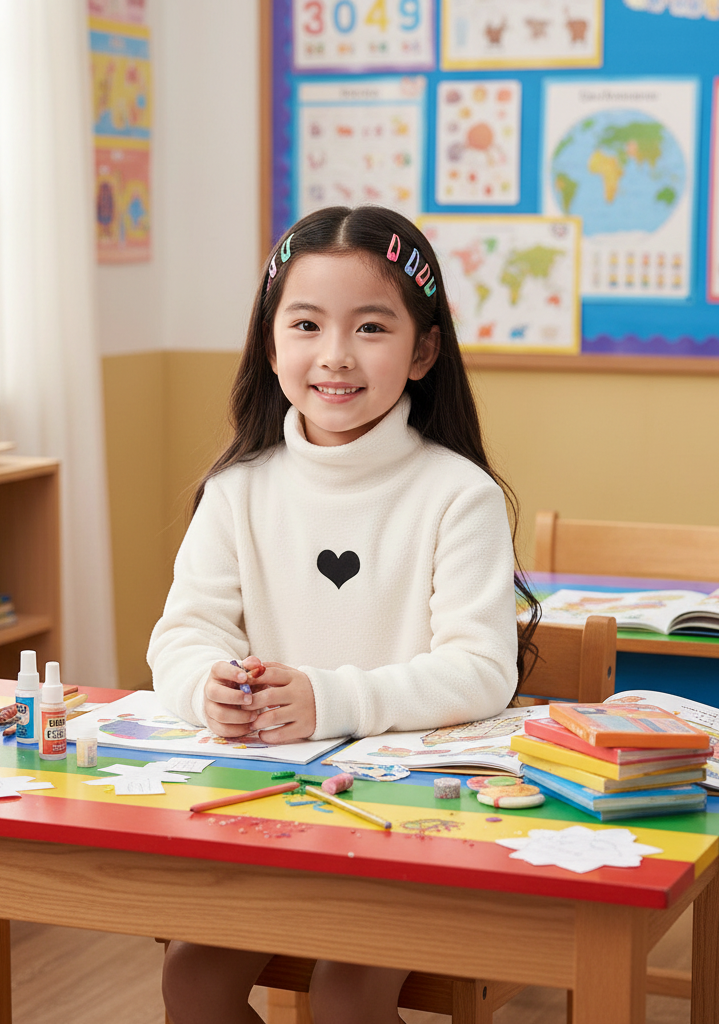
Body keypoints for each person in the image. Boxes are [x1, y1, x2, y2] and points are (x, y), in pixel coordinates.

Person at [147, 205, 540, 1024]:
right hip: (267, 814)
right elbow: (183, 637)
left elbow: (480, 669)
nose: (335, 356)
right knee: (191, 980)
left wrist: (329, 700)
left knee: (346, 996)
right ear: (270, 343)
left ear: (423, 349)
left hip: (411, 818)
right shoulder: (238, 490)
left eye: (370, 327)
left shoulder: (455, 494)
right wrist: (205, 687)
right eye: (306, 324)